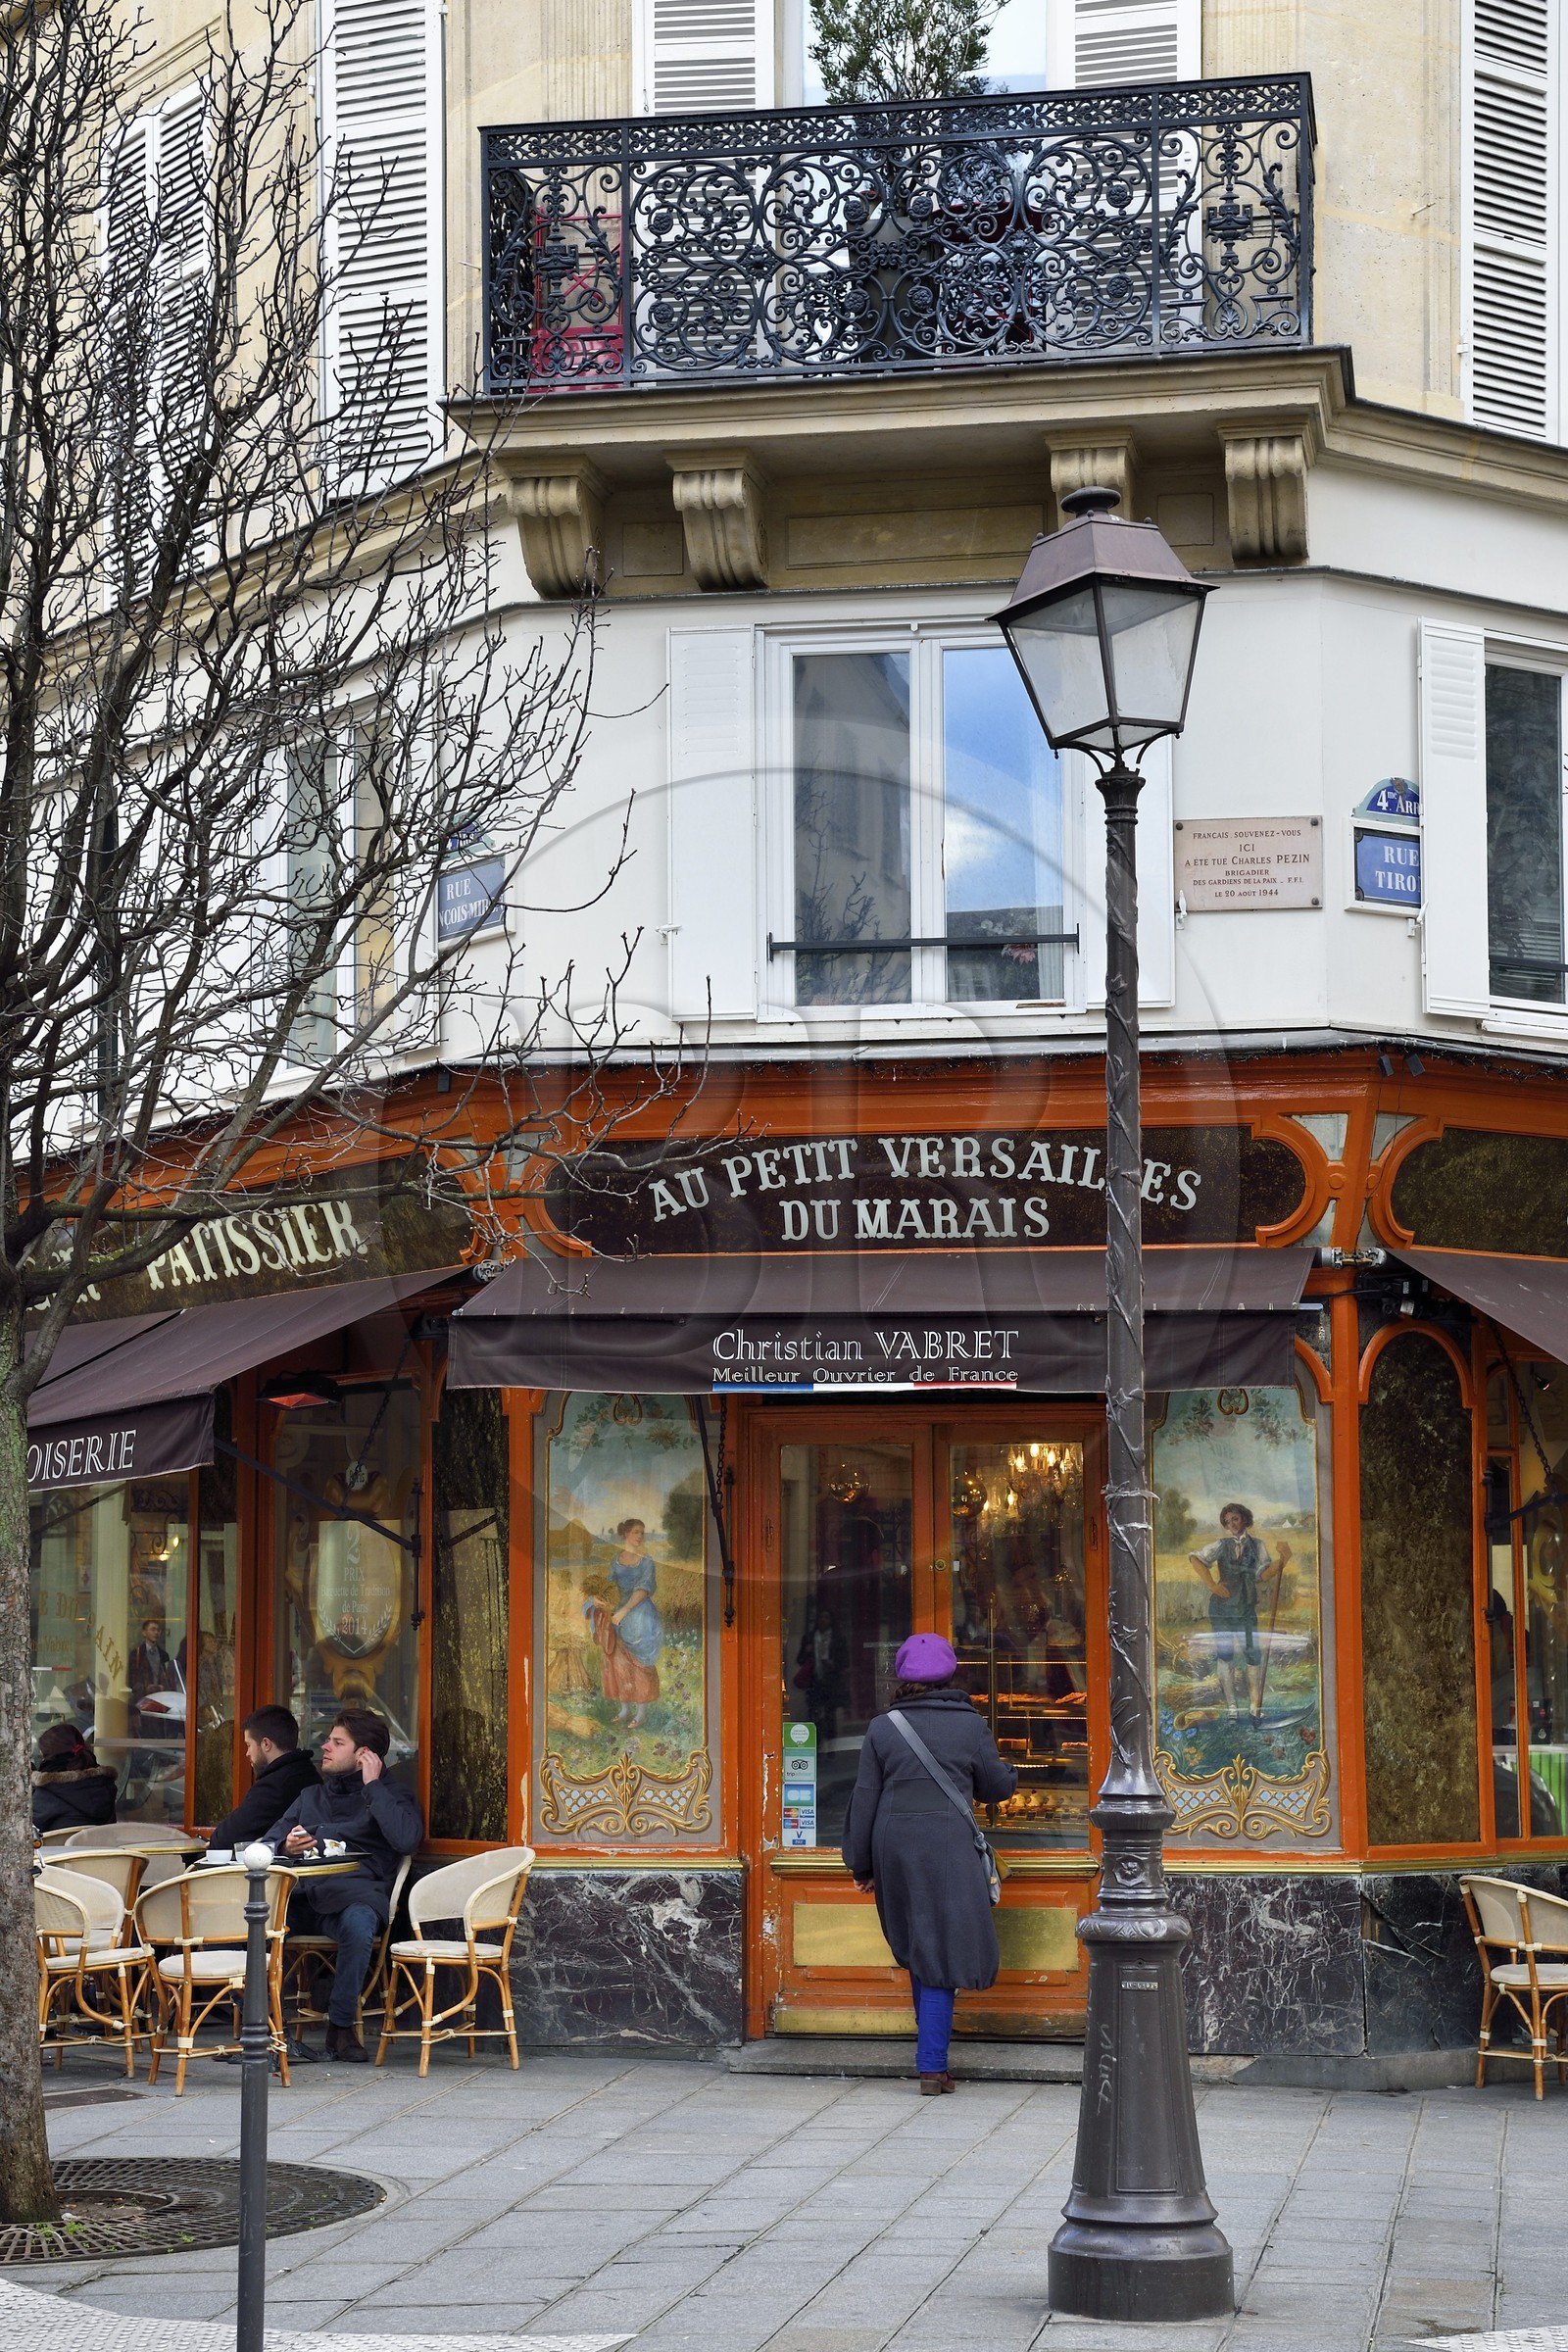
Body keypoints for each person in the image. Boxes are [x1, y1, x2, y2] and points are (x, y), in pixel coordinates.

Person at [841, 1633, 1016, 2095]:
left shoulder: (883, 1727)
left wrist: (860, 1865)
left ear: (900, 1676)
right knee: (938, 1946)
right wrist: (1008, 1770)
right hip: (948, 1845)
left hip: (893, 1845)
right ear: (952, 1672)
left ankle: (930, 2060)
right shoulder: (971, 1726)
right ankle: (932, 2067)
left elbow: (865, 1799)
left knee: (923, 1944)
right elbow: (997, 1789)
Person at [267, 1708, 423, 2063]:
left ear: (365, 1755)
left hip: (354, 1898)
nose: (325, 1747)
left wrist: (373, 1786)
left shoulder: (391, 1796)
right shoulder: (311, 1797)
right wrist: (284, 1847)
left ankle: (340, 2027)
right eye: (328, 1740)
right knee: (254, 1916)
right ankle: (265, 2027)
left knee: (359, 1922)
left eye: (338, 1743)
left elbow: (407, 1839)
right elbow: (268, 1843)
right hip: (304, 1898)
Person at [1189, 1503, 1290, 1724]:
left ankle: (1255, 1708)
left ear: (1245, 1519)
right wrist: (1212, 1585)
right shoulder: (1221, 1545)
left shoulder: (1257, 1546)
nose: (1231, 1524)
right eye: (1227, 1521)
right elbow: (1195, 1559)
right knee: (1225, 1656)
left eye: (1235, 1519)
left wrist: (1283, 1560)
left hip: (1245, 1609)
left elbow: (1263, 1575)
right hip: (1221, 1610)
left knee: (1253, 1656)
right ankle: (1232, 1708)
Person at [204, 1705, 320, 1851]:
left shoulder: (275, 1786)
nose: (247, 1753)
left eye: (248, 1745)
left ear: (266, 1744)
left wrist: (213, 1841)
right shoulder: (307, 1773)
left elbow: (226, 1840)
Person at [584, 1517, 663, 1728]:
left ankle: (641, 1713)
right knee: (618, 1663)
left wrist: (624, 1612)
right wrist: (599, 1598)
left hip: (639, 1615)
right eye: (636, 1532)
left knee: (639, 1665)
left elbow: (643, 1590)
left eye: (642, 1532)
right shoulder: (617, 1559)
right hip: (617, 1613)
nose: (640, 1536)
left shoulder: (646, 1561)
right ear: (625, 1534)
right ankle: (624, 1709)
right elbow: (610, 1585)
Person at [31, 1723, 119, 1834]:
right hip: (100, 1849)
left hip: (57, 1850)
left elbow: (34, 1828)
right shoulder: (105, 1785)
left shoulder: (44, 1791)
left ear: (46, 1755)